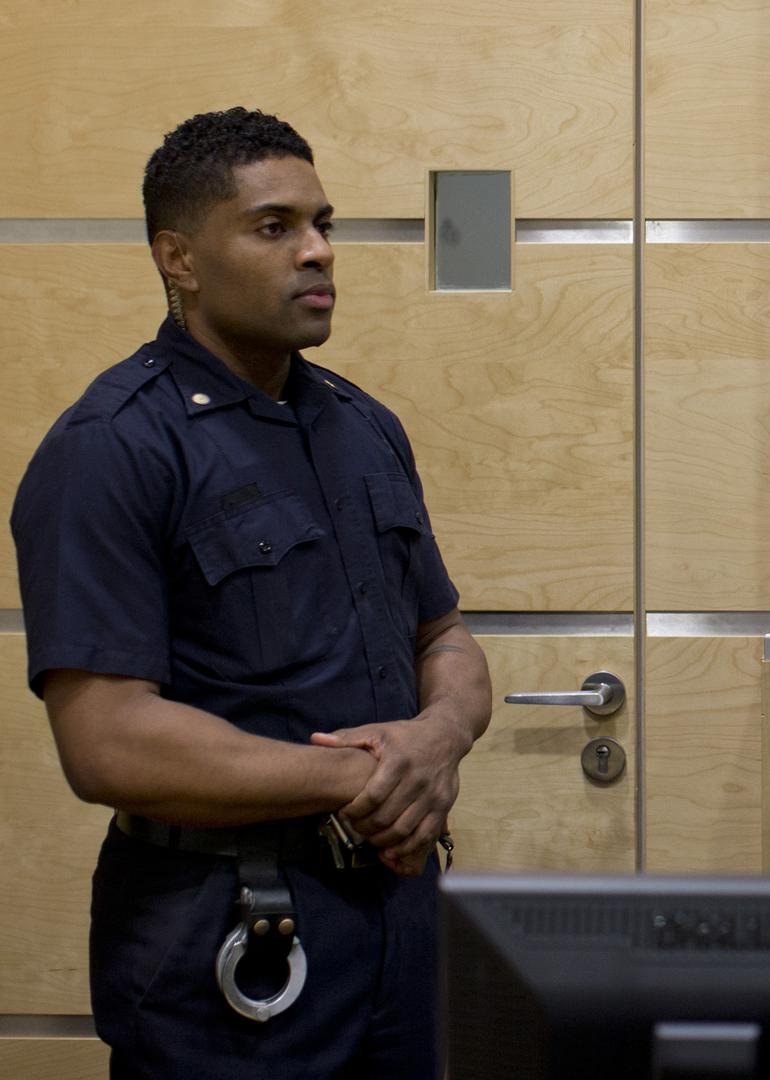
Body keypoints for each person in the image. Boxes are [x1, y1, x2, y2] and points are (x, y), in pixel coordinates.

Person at [11, 108, 490, 1079]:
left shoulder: (364, 425)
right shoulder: (113, 447)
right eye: (275, 227)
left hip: (399, 925)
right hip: (233, 932)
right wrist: (367, 779)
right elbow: (107, 739)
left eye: (324, 224)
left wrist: (437, 740)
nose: (316, 252)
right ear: (178, 257)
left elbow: (446, 635)